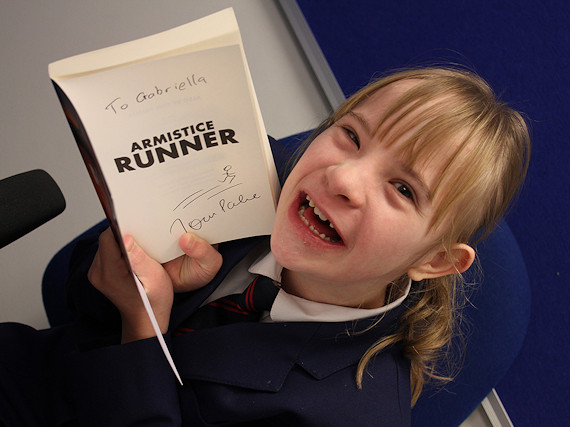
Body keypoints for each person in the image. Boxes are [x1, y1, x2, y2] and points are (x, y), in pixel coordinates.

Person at [0, 66, 530, 426]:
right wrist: (131, 270)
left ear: (434, 260)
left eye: (403, 189)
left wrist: (144, 329)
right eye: (351, 135)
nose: (344, 177)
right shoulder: (248, 178)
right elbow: (76, 292)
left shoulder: (356, 413)